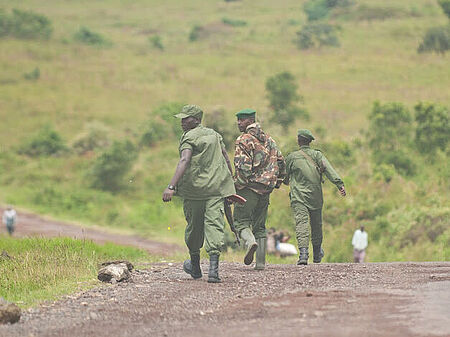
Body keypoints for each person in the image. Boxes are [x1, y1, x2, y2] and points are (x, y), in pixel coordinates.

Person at [162, 104, 235, 283]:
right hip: (216, 189)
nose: (182, 122)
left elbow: (185, 159)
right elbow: (226, 157)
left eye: (185, 119)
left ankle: (195, 267)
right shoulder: (215, 135)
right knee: (215, 226)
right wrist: (230, 182)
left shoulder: (188, 137)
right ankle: (213, 271)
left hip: (195, 191)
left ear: (196, 120)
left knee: (194, 228)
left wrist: (171, 187)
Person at [233, 108, 286, 270]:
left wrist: (238, 187)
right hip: (266, 189)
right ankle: (261, 263)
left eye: (241, 120)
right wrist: (277, 182)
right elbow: (281, 162)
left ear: (249, 121)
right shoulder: (270, 140)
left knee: (241, 222)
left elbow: (242, 168)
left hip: (248, 189)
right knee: (260, 227)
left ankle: (250, 243)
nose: (238, 123)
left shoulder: (244, 140)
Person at [284, 129, 346, 265]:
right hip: (315, 196)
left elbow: (284, 176)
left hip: (298, 197)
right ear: (310, 142)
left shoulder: (292, 157)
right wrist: (339, 185)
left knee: (302, 223)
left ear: (298, 141)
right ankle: (317, 253)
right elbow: (329, 169)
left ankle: (303, 255)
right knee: (316, 224)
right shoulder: (318, 155)